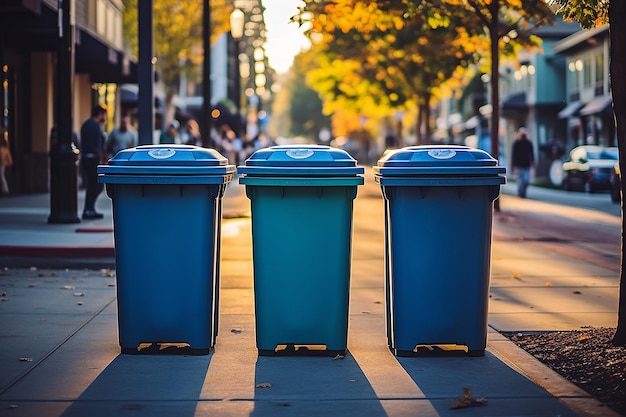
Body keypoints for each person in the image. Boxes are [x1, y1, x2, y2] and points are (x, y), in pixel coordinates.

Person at [80, 104, 107, 220]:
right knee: (96, 185)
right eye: (104, 115)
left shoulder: (85, 125)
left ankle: (89, 208)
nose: (105, 118)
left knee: (91, 185)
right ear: (100, 114)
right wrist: (103, 158)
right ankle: (89, 209)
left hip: (85, 158)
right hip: (93, 159)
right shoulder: (95, 126)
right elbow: (97, 146)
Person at [511, 127, 535, 198]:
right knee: (520, 181)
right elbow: (514, 155)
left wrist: (533, 163)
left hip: (527, 165)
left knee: (526, 181)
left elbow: (531, 154)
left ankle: (523, 192)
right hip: (519, 165)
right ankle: (521, 193)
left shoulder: (529, 143)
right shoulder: (516, 143)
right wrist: (513, 165)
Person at [0, 127, 12, 195]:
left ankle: (5, 189)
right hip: (3, 162)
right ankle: (4, 189)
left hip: (2, 162)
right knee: (2, 174)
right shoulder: (5, 143)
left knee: (1, 175)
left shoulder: (3, 145)